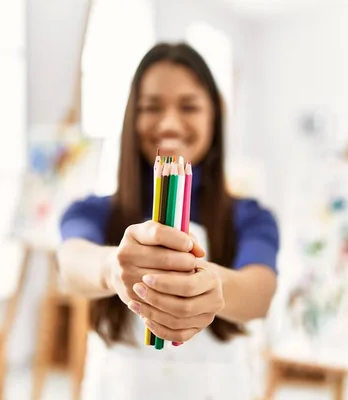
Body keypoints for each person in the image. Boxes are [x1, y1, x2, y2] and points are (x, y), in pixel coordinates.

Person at [58, 42, 280, 400]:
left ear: (215, 116)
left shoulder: (251, 217)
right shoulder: (93, 211)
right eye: (151, 107)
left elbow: (260, 292)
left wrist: (212, 286)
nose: (170, 123)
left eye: (189, 106)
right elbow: (71, 262)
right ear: (132, 118)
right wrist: (112, 268)